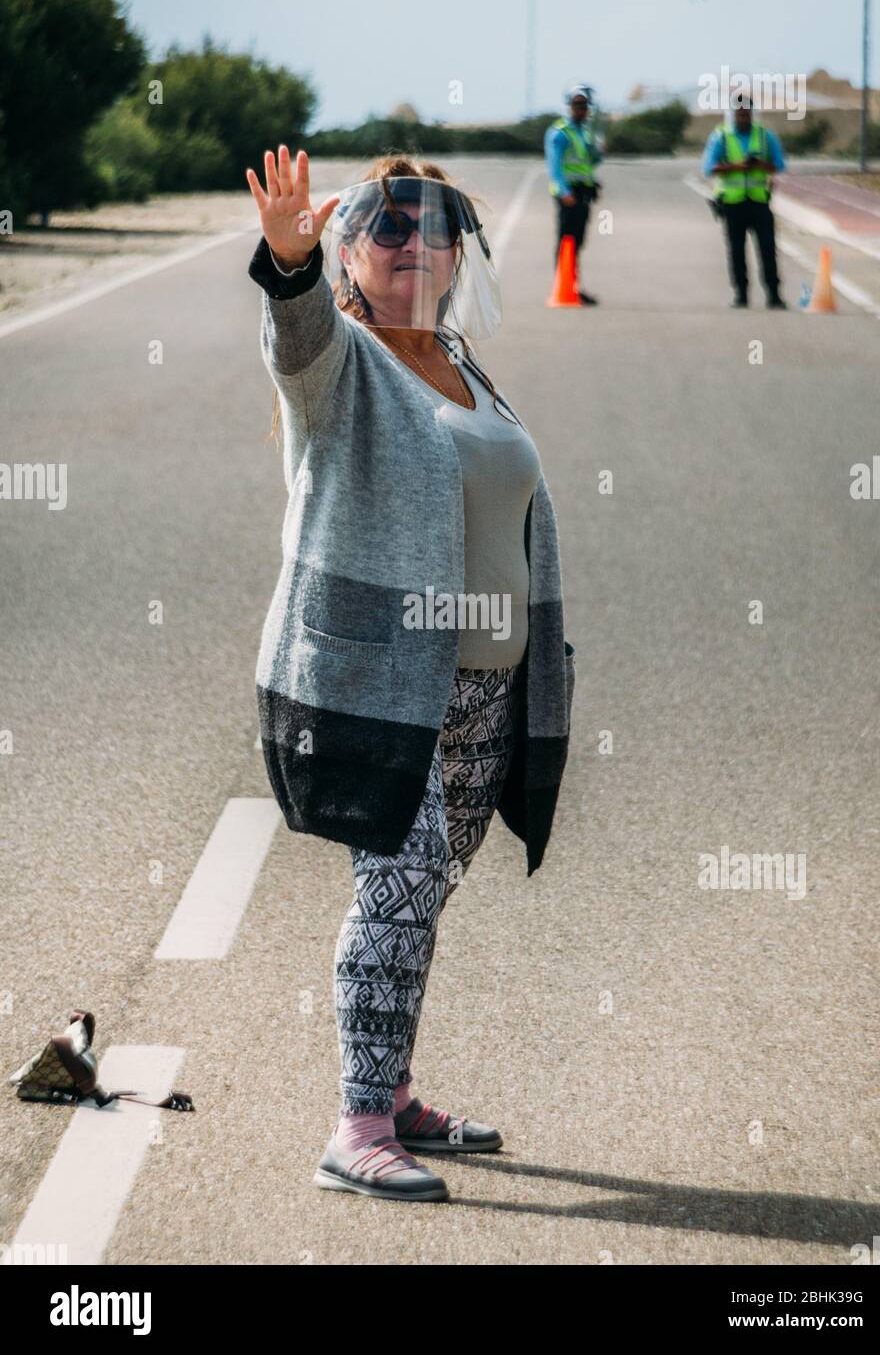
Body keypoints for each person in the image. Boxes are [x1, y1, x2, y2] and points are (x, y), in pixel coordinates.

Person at [245, 146, 576, 1203]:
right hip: (371, 679)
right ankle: (356, 1125)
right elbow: (294, 340)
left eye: (438, 226)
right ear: (350, 251)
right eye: (390, 225)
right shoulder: (343, 361)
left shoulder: (463, 362)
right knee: (398, 879)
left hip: (480, 682)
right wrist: (289, 261)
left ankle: (390, 1095)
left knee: (423, 889)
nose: (417, 244)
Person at [702, 92, 787, 309]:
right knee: (736, 251)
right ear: (732, 113)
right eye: (739, 113)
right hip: (732, 204)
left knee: (768, 249)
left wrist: (759, 164)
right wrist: (737, 166)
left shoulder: (765, 136)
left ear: (752, 113)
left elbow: (779, 165)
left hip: (759, 202)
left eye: (746, 113)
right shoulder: (721, 136)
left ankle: (774, 295)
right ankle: (741, 294)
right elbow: (709, 168)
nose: (743, 117)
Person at [544, 84, 604, 304]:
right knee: (566, 240)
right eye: (577, 105)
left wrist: (598, 153)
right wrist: (563, 191)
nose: (581, 109)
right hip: (569, 194)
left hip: (584, 191)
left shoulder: (585, 132)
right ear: (569, 106)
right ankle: (564, 285)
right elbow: (554, 165)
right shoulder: (559, 132)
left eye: (585, 105)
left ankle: (573, 285)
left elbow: (589, 162)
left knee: (578, 240)